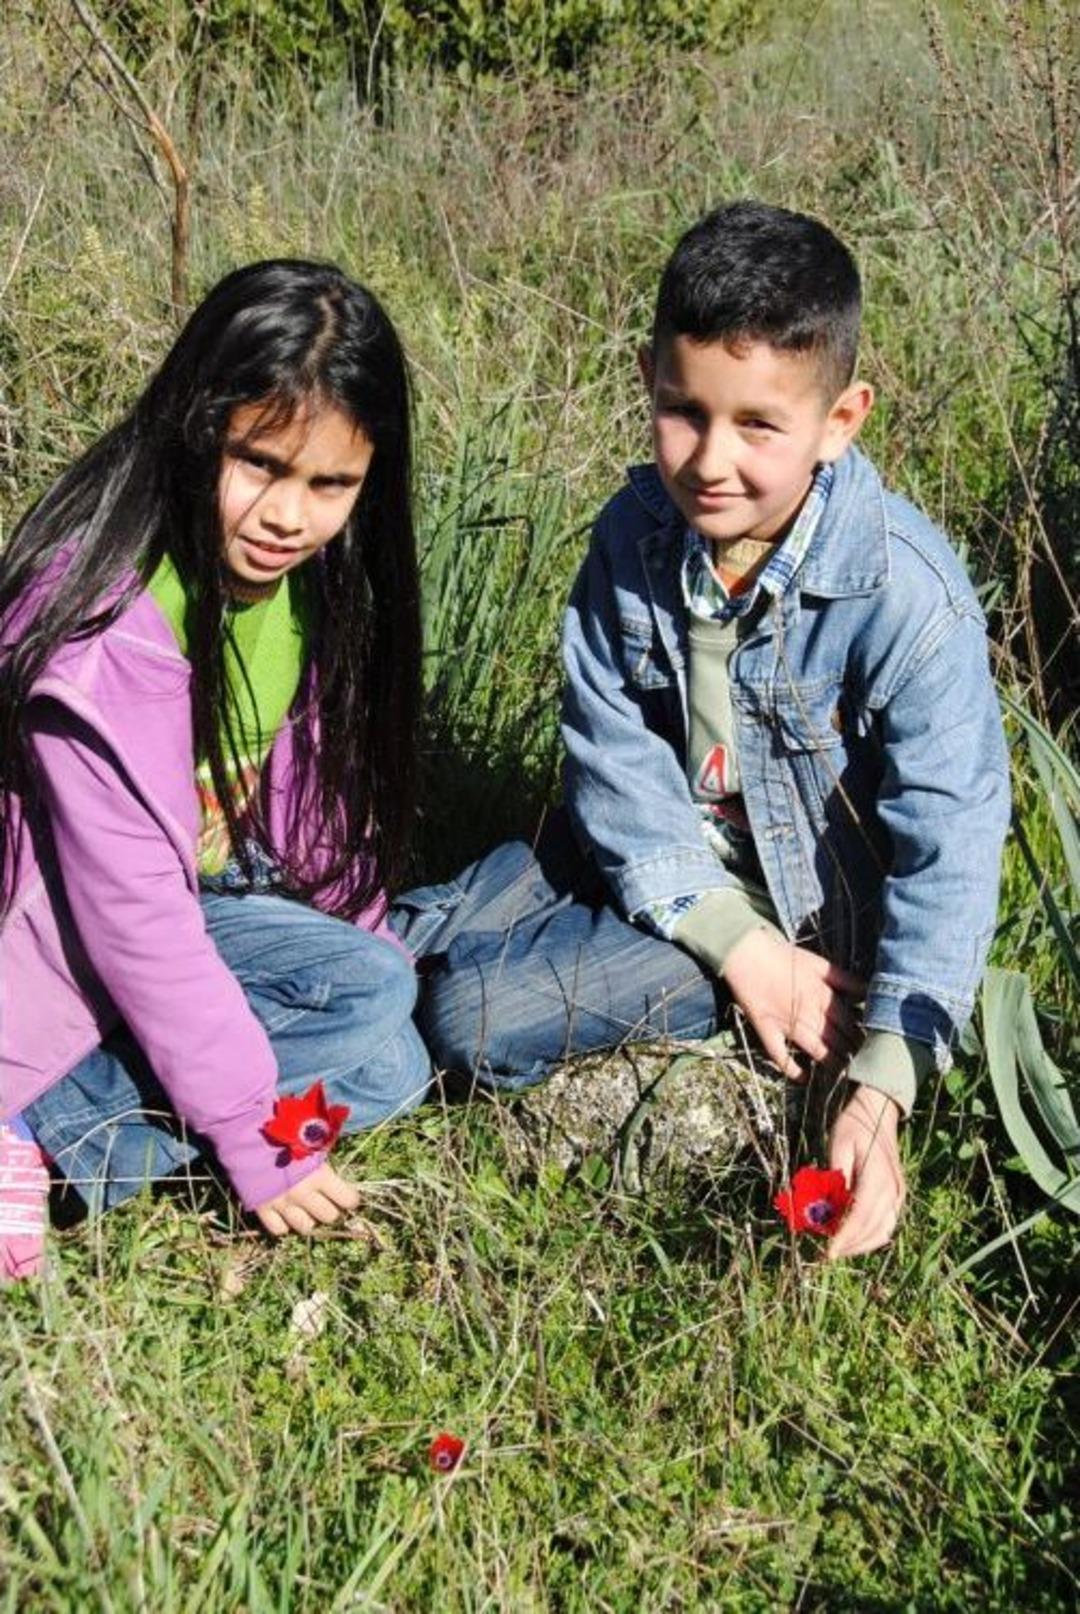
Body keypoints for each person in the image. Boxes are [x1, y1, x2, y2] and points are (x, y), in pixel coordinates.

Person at [393, 201, 1010, 1258]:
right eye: (684, 411)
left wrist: (880, 1084)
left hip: (801, 920)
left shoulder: (906, 598)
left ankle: (363, 1057)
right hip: (654, 853)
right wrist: (718, 925)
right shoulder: (635, 537)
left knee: (472, 1017)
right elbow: (613, 757)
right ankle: (211, 1015)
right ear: (649, 379)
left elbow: (950, 849)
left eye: (759, 425)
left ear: (842, 418)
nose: (710, 461)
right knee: (408, 930)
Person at [0, 260, 431, 1278]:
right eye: (262, 465)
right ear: (198, 429)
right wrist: (251, 1131)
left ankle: (85, 1130)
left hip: (194, 903)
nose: (291, 514)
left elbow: (304, 792)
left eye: (332, 483)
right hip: (53, 945)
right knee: (369, 1006)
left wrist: (345, 919)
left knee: (396, 1054)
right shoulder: (103, 630)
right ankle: (44, 1121)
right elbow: (134, 913)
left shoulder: (299, 586)